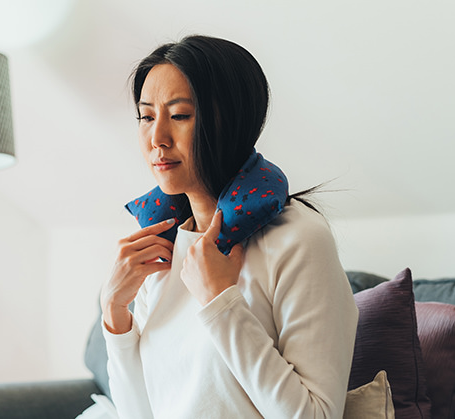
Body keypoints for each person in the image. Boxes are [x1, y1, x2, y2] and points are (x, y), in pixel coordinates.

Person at [99, 35, 359, 418]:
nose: (157, 138)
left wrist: (221, 301)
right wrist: (115, 313)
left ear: (229, 120)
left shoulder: (299, 239)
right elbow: (140, 413)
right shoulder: (161, 251)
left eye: (180, 115)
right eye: (147, 116)